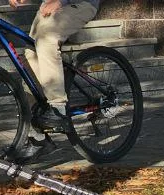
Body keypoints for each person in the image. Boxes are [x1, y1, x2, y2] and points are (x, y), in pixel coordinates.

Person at [8, 0, 99, 132]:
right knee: (30, 55)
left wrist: (61, 1)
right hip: (48, 7)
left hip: (81, 3)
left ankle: (58, 108)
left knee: (47, 40)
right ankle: (39, 135)